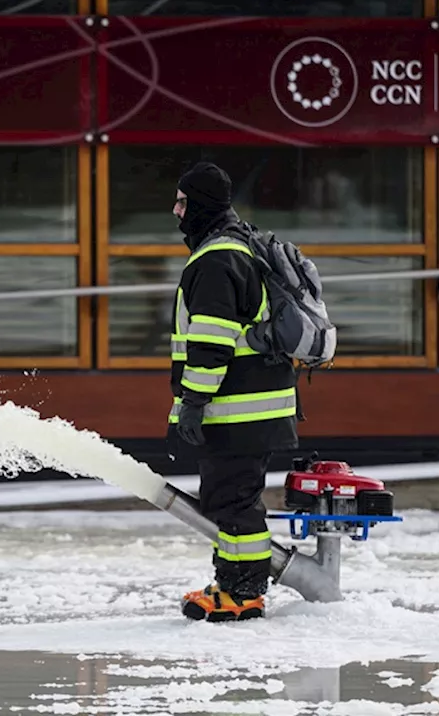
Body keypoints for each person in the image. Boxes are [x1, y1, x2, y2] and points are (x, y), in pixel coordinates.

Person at [166, 161, 299, 623]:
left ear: (200, 204)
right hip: (252, 408)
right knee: (231, 500)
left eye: (182, 202)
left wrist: (193, 402)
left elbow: (211, 341)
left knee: (235, 503)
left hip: (236, 410)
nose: (176, 211)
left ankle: (244, 593)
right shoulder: (237, 248)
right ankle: (233, 582)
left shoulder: (217, 259)